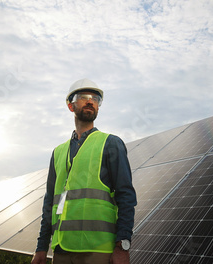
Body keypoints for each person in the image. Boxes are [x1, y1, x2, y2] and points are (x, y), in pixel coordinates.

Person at [31, 78, 137, 264]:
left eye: (95, 99)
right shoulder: (58, 152)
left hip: (98, 251)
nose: (90, 101)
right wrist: (41, 247)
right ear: (71, 106)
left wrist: (122, 246)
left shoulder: (111, 144)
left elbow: (126, 196)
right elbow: (50, 202)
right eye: (84, 97)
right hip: (62, 249)